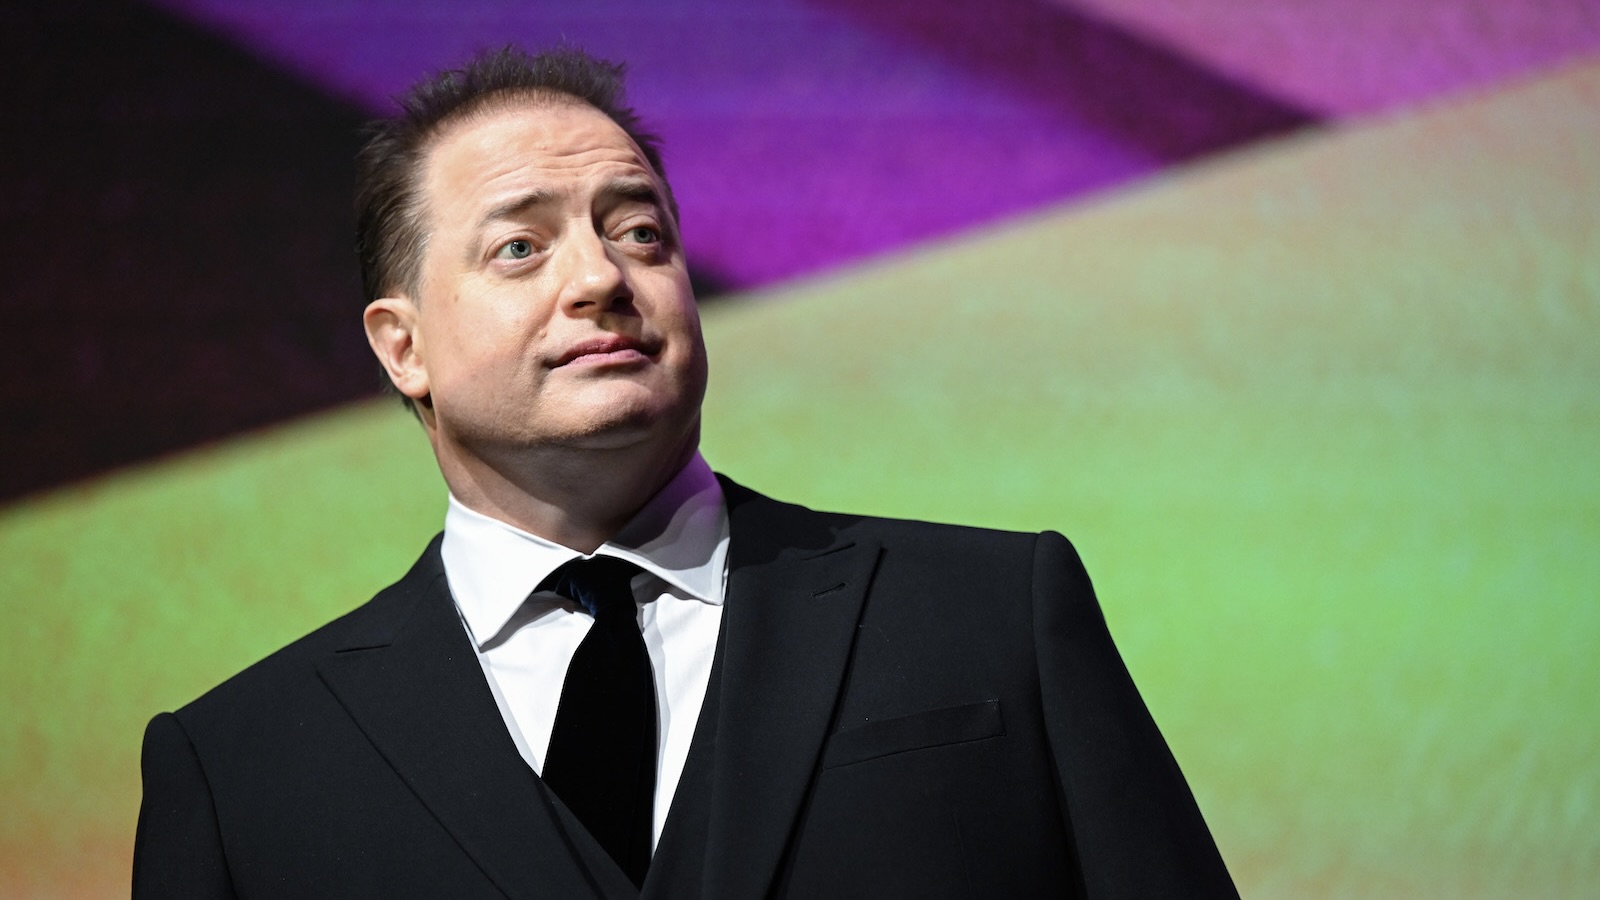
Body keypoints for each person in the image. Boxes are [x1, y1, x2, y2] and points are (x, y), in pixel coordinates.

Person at [133, 46, 1237, 899]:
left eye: (641, 232)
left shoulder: (990, 614)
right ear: (401, 345)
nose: (602, 278)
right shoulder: (243, 769)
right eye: (520, 247)